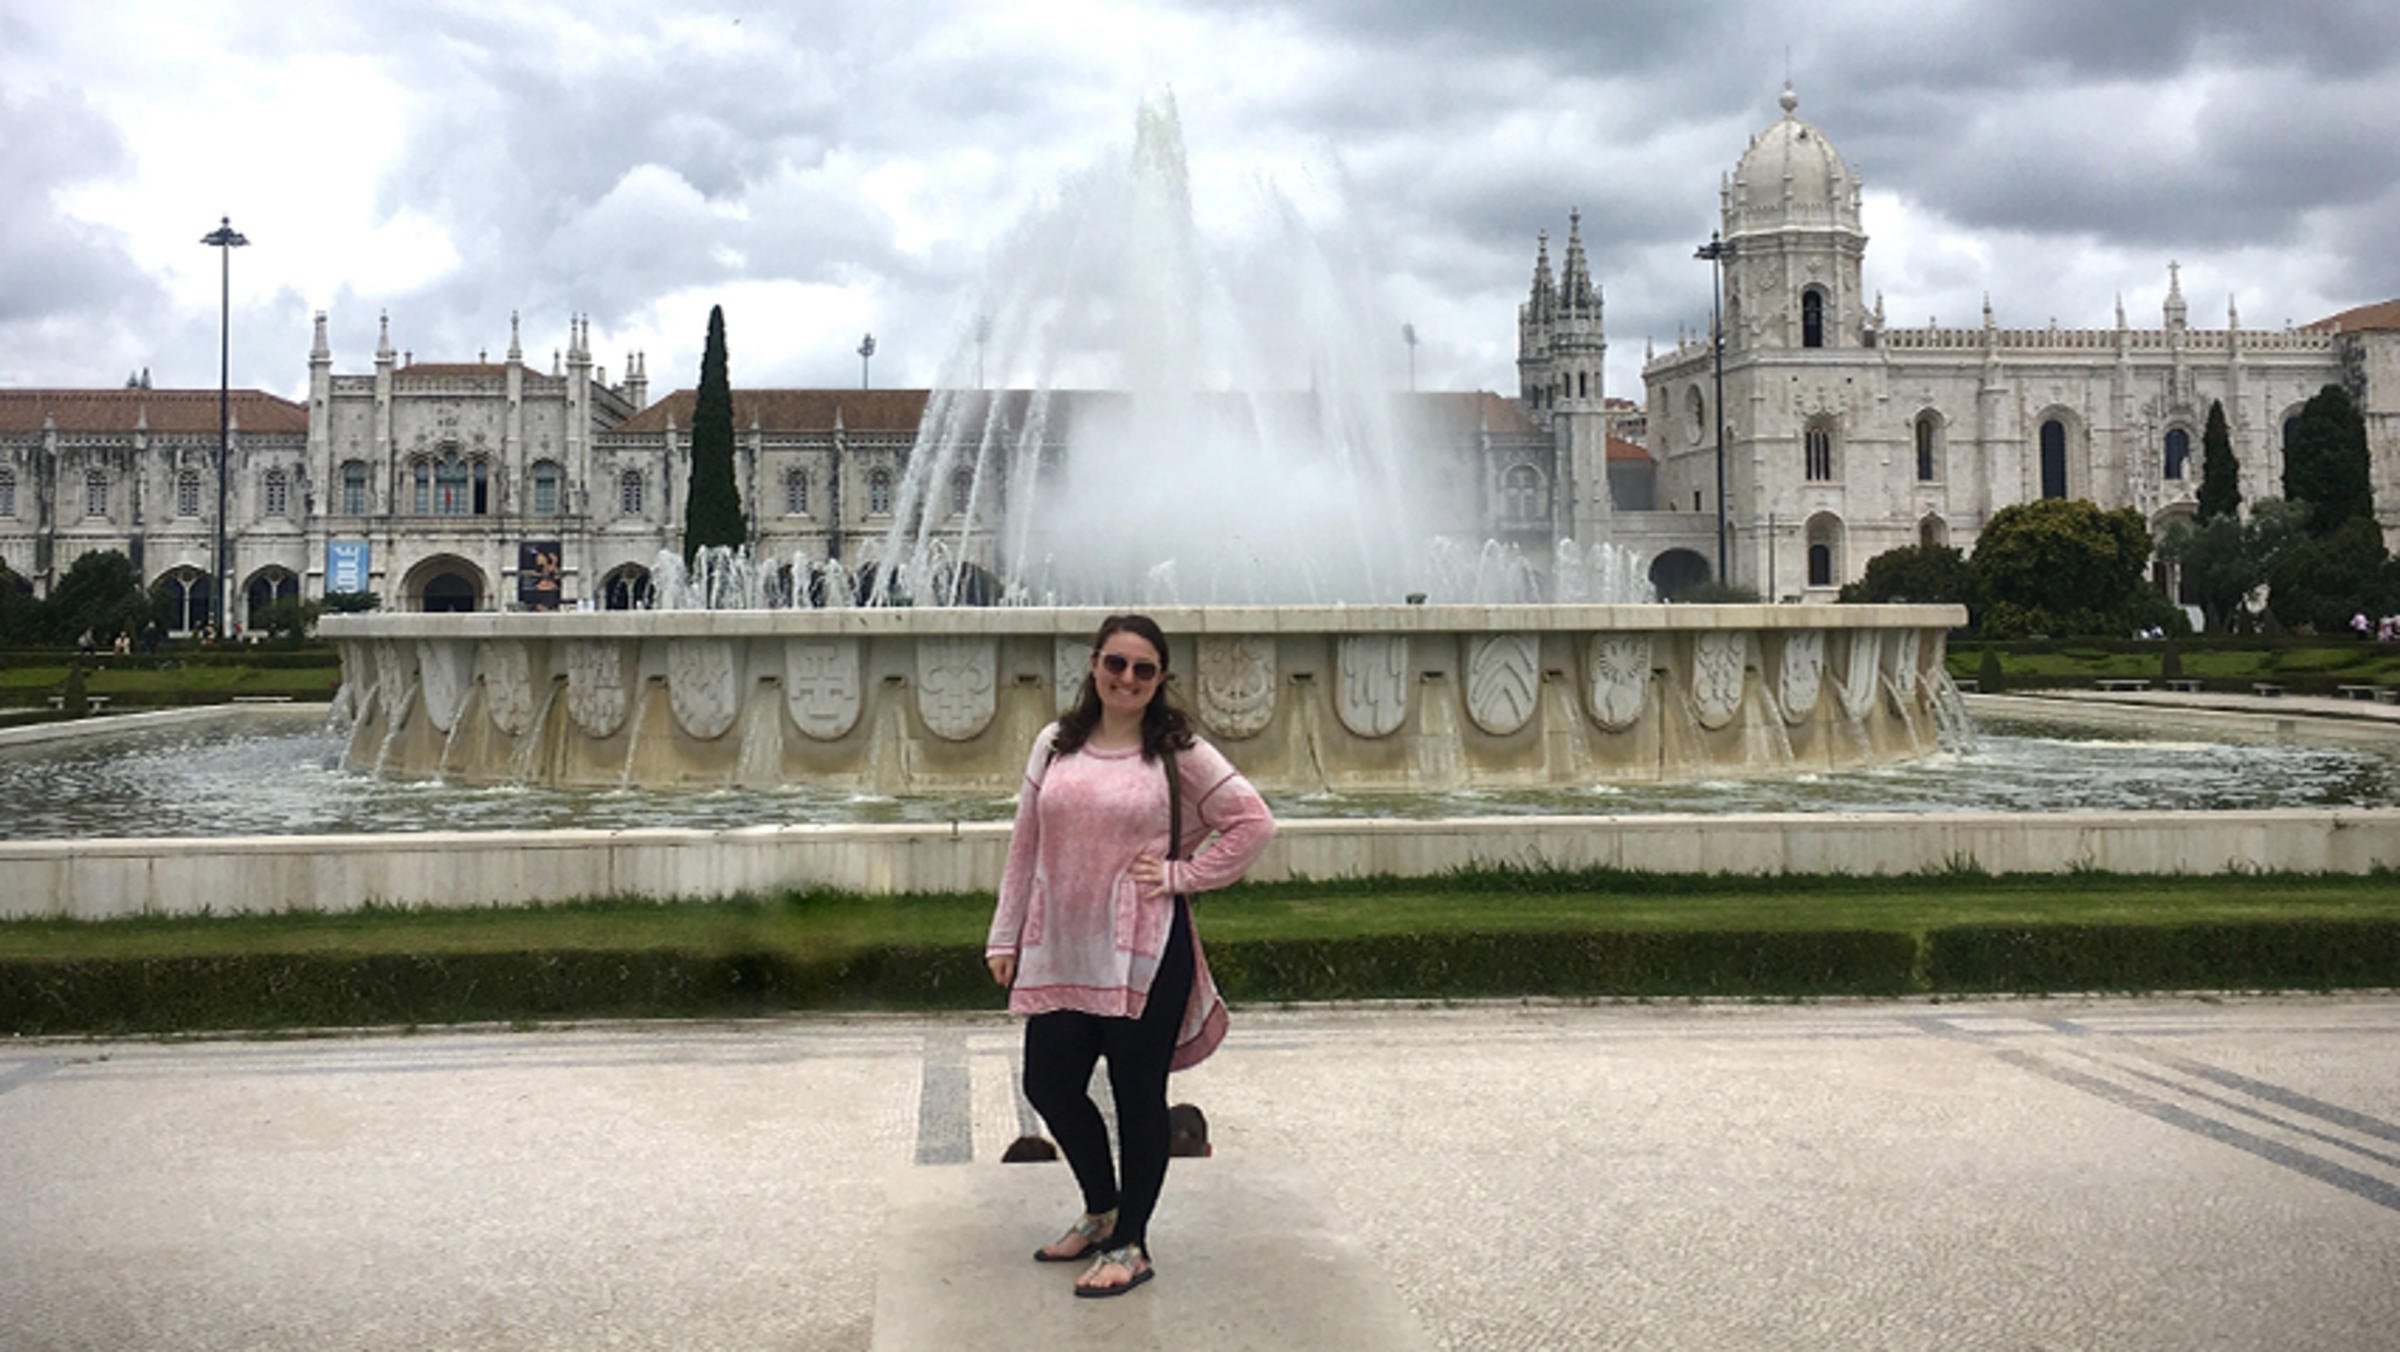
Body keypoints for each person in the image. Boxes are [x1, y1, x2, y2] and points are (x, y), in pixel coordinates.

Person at [985, 613, 1275, 1299]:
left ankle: (1131, 1244)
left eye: (1144, 669)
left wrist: (1181, 876)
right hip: (1062, 939)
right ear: (1094, 665)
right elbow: (1025, 840)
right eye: (1116, 663)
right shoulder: (1056, 744)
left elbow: (1252, 821)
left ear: (1160, 679)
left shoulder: (1177, 750)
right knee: (1048, 1081)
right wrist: (1006, 934)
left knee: (1137, 1096)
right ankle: (1102, 1206)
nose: (1127, 679)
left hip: (1146, 949)